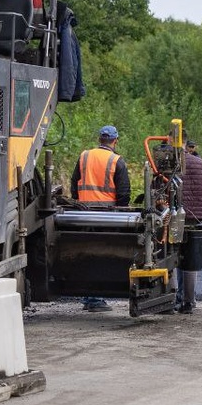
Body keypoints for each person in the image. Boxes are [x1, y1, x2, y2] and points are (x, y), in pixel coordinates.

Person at [70, 125, 131, 311]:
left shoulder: (84, 156)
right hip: (107, 215)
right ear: (115, 141)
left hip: (83, 212)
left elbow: (74, 184)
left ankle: (89, 297)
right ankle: (95, 299)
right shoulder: (116, 161)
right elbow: (124, 194)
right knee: (101, 254)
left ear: (100, 139)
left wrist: (79, 202)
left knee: (86, 253)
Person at [177, 139, 202, 314]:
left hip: (173, 216)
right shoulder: (200, 163)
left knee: (169, 256)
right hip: (194, 217)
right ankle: (189, 301)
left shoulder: (171, 164)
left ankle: (171, 298)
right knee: (189, 260)